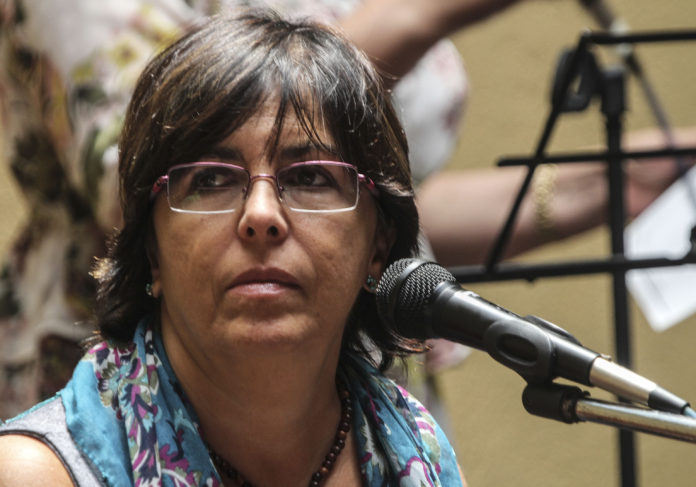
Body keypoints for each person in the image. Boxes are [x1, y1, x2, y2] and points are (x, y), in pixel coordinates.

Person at [0, 10, 466, 486]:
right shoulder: (35, 474)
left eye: (309, 177)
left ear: (379, 245)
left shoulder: (421, 451)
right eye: (211, 180)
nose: (261, 215)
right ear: (152, 250)